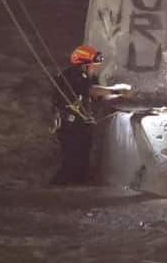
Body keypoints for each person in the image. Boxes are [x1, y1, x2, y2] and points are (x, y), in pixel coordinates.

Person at [50, 45, 131, 185]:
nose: (95, 68)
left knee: (83, 159)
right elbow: (92, 91)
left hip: (81, 126)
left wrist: (122, 101)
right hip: (70, 126)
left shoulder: (88, 77)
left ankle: (77, 187)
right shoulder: (71, 75)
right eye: (93, 65)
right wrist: (117, 90)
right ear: (85, 65)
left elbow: (98, 97)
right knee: (71, 160)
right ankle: (62, 189)